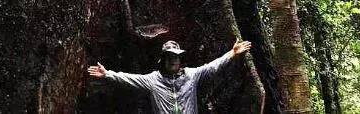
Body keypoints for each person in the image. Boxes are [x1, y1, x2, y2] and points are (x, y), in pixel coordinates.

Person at [87, 38, 252, 114]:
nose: (173, 60)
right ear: (163, 59)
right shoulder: (153, 80)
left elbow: (212, 67)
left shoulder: (191, 75)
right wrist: (107, 74)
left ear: (180, 59)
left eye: (176, 57)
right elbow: (130, 79)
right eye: (169, 57)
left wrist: (232, 53)